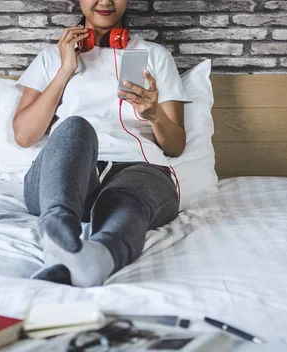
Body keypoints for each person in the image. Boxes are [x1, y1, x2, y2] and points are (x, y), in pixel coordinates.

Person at [12, 0, 188, 288]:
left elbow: (176, 145)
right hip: (66, 173)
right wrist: (65, 69)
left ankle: (99, 259)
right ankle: (58, 232)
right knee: (75, 127)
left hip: (136, 169)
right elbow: (24, 135)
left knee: (125, 202)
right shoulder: (51, 57)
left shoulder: (155, 55)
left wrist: (154, 114)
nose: (105, 1)